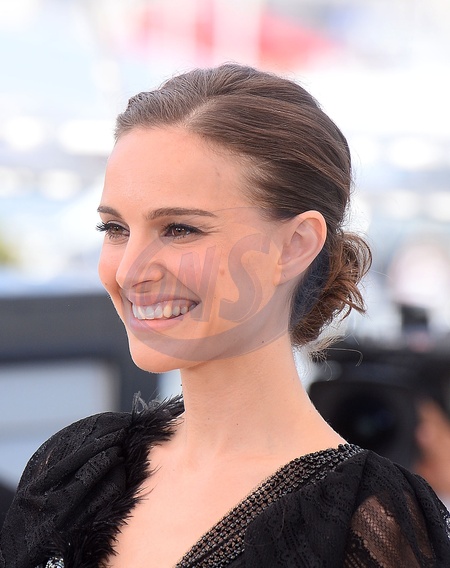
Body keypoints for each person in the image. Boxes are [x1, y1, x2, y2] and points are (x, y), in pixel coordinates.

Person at [1, 63, 449, 568]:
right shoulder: (74, 469)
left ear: (294, 245)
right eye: (115, 229)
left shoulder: (366, 520)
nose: (129, 271)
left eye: (180, 229)